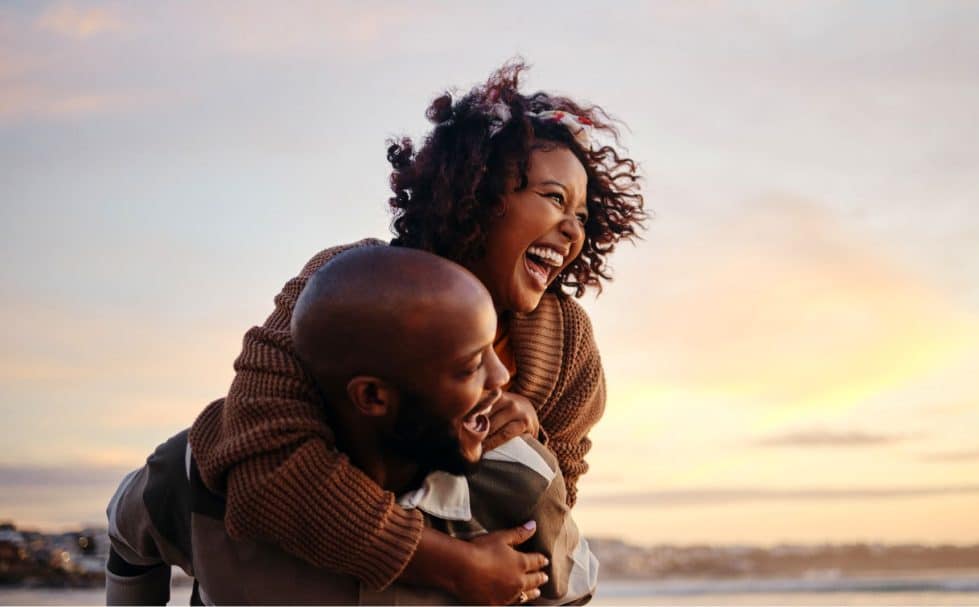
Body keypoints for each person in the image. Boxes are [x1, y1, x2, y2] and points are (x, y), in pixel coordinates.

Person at [187, 59, 645, 605]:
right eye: (553, 198)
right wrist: (451, 566)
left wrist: (533, 442)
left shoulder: (567, 341)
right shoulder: (347, 286)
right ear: (479, 192)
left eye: (583, 215)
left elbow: (552, 509)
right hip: (293, 570)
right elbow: (264, 464)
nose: (572, 230)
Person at [105, 247, 598, 605]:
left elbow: (571, 592)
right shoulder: (200, 472)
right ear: (372, 396)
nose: (504, 377)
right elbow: (128, 537)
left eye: (496, 347)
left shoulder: (519, 482)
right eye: (471, 366)